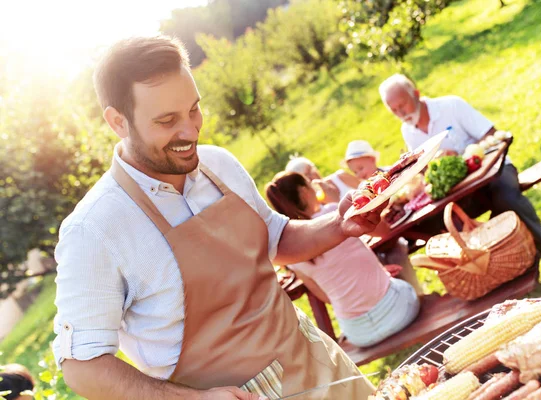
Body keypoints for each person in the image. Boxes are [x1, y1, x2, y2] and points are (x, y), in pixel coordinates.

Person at [51, 36, 382, 400]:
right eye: (167, 120)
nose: (190, 131)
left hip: (321, 366)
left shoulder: (219, 165)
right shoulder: (95, 230)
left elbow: (275, 238)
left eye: (194, 109)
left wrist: (338, 225)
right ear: (118, 121)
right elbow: (83, 367)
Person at [378, 74, 541, 259]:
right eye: (394, 110)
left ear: (416, 94)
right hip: (459, 190)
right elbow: (426, 169)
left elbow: (492, 135)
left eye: (402, 105)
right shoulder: (408, 131)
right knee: (438, 222)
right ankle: (496, 260)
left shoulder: (451, 106)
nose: (401, 113)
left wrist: (463, 157)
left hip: (493, 169)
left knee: (505, 195)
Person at [265, 172, 420, 347]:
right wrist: (336, 200)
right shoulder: (332, 213)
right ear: (304, 192)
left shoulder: (289, 253)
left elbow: (325, 296)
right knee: (404, 284)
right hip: (399, 313)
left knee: (389, 280)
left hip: (358, 333)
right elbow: (384, 230)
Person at [285, 156, 360, 204]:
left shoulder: (340, 176)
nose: (311, 177)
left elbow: (366, 188)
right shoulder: (316, 205)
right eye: (306, 176)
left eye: (310, 170)